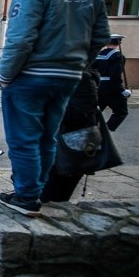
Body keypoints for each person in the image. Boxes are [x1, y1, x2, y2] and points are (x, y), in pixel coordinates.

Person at [0, 0, 110, 216]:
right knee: (48, 137)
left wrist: (5, 75)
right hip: (68, 77)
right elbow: (100, 37)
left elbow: (20, 39)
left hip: (31, 76)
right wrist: (77, 66)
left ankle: (26, 196)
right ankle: (38, 192)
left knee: (24, 139)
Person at [40, 68, 101, 202]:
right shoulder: (60, 75)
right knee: (46, 196)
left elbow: (78, 114)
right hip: (57, 148)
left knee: (52, 199)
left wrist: (45, 106)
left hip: (71, 148)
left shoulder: (82, 78)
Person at [94, 34, 130, 131]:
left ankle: (91, 129)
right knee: (121, 111)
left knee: (95, 111)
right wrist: (122, 90)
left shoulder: (98, 54)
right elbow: (115, 76)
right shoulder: (118, 56)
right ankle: (104, 130)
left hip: (97, 86)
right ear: (119, 43)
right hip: (111, 88)